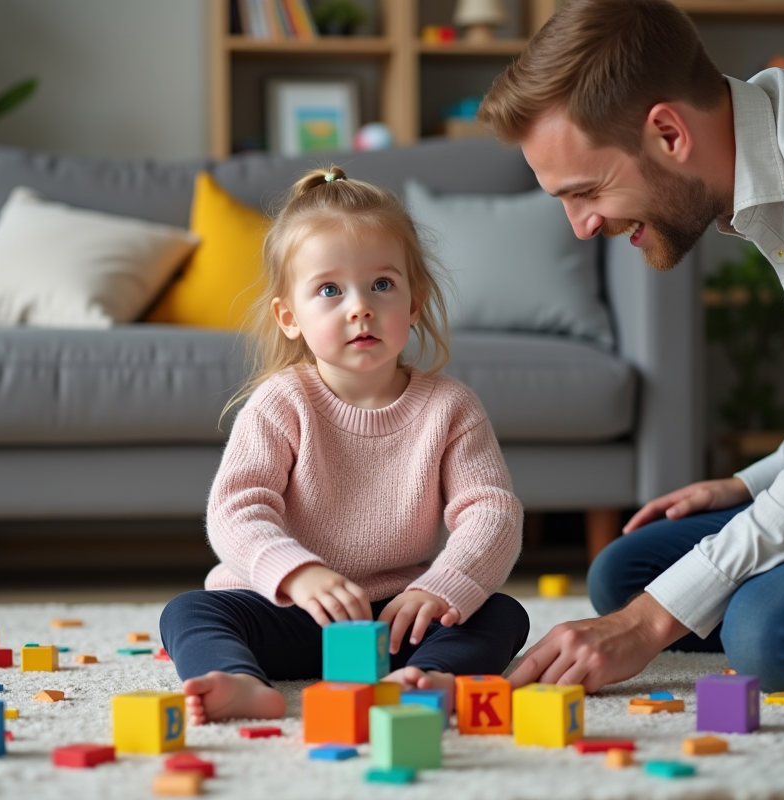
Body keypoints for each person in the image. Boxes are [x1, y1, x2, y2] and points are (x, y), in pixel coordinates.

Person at [476, 0, 784, 695]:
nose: (580, 226)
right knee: (630, 572)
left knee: (772, 631)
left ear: (669, 132)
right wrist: (751, 485)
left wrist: (646, 626)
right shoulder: (768, 156)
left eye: (585, 190)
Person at [159, 167, 530, 724]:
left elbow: (491, 512)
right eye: (329, 290)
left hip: (398, 618)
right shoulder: (281, 401)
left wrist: (441, 588)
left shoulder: (450, 406)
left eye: (382, 285)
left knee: (501, 614)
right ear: (290, 317)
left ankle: (429, 680)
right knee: (189, 611)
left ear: (414, 300)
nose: (359, 307)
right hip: (286, 610)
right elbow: (237, 509)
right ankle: (241, 681)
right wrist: (297, 574)